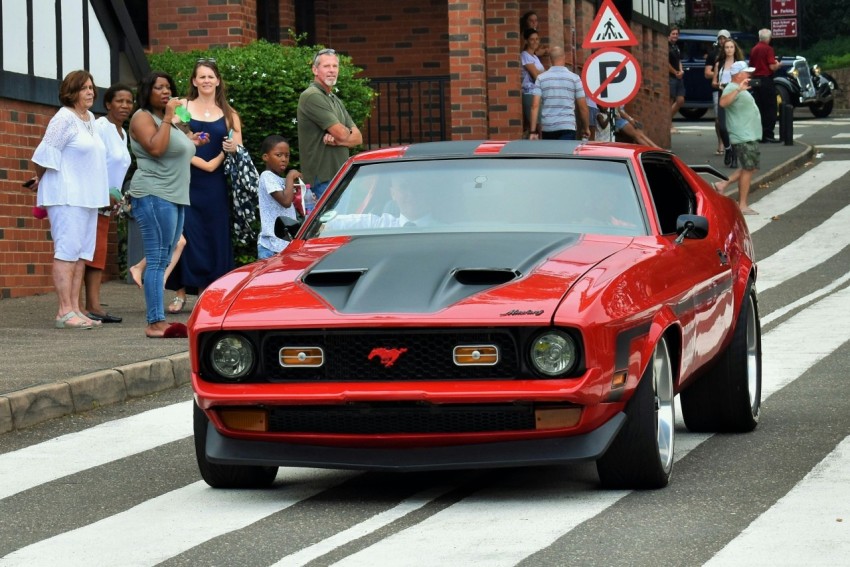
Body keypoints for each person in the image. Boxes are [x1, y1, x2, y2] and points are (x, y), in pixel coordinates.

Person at [128, 71, 208, 338]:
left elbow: (173, 148)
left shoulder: (170, 123)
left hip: (174, 196)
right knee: (157, 258)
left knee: (163, 257)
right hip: (153, 194)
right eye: (158, 87)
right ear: (147, 91)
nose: (165, 92)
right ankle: (155, 323)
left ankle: (157, 320)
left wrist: (192, 141)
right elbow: (156, 149)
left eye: (168, 87)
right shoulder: (142, 117)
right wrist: (167, 117)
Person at [29, 70, 109, 329]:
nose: (90, 92)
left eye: (91, 87)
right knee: (66, 252)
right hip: (66, 195)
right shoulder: (63, 118)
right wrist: (41, 180)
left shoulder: (90, 118)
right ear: (71, 92)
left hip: (88, 197)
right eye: (84, 88)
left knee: (81, 254)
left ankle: (75, 308)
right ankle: (63, 311)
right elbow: (43, 155)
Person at [166, 58, 242, 313]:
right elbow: (173, 141)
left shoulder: (230, 114)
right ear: (194, 81)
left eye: (211, 76)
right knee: (185, 234)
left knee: (212, 235)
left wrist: (226, 153)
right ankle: (179, 294)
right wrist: (201, 162)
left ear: (218, 81)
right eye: (202, 76)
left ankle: (204, 292)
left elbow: (238, 148)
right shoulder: (182, 107)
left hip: (215, 185)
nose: (207, 81)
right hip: (185, 180)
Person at [85, 83, 134, 324]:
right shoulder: (101, 126)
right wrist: (102, 192)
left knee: (99, 253)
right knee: (88, 254)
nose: (125, 105)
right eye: (119, 101)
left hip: (109, 202)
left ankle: (94, 305)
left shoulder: (123, 133)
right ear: (107, 104)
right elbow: (90, 161)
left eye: (129, 101)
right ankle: (85, 307)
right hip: (94, 199)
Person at [297, 48, 363, 200]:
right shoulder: (311, 96)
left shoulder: (334, 99)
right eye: (326, 66)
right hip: (323, 179)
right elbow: (342, 133)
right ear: (315, 70)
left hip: (339, 175)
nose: (332, 70)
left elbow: (358, 138)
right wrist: (344, 134)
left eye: (335, 66)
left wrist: (339, 140)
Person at [714, 62, 762, 215]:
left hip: (749, 134)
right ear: (738, 74)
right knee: (748, 168)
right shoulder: (732, 87)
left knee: (751, 167)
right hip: (743, 135)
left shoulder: (739, 86)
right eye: (746, 72)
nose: (749, 74)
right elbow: (723, 102)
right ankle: (742, 205)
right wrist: (739, 89)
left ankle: (723, 184)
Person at [528, 46, 590, 141]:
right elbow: (583, 107)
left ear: (550, 59)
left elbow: (534, 106)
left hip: (548, 127)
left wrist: (532, 131)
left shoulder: (541, 78)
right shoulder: (575, 78)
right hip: (567, 126)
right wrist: (586, 128)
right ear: (564, 57)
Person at [257, 135, 302, 259]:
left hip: (284, 245)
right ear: (265, 157)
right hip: (270, 247)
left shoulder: (281, 181)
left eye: (287, 155)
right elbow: (286, 202)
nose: (284, 159)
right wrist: (290, 176)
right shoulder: (266, 176)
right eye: (279, 155)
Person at [712, 38, 746, 167]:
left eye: (731, 47)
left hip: (736, 96)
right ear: (723, 49)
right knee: (722, 126)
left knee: (735, 127)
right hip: (723, 96)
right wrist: (719, 85)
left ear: (735, 49)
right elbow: (713, 82)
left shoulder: (740, 64)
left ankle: (735, 157)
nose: (729, 50)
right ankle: (728, 149)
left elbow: (745, 80)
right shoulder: (719, 64)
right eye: (727, 47)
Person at [749, 28, 782, 143]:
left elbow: (751, 66)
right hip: (766, 79)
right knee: (770, 107)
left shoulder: (754, 49)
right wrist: (778, 65)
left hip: (755, 80)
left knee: (759, 107)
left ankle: (760, 133)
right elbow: (772, 67)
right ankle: (768, 134)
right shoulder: (768, 49)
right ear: (769, 38)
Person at [705, 30, 731, 155]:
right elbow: (707, 73)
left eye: (724, 38)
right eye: (720, 38)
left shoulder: (734, 55)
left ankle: (732, 144)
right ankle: (721, 143)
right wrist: (720, 75)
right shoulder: (713, 55)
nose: (722, 41)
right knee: (719, 119)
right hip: (718, 90)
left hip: (733, 90)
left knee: (732, 118)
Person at [520, 28, 546, 136]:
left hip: (538, 93)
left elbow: (542, 75)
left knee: (541, 125)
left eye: (537, 39)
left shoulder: (534, 57)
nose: (535, 42)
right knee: (536, 125)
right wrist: (540, 73)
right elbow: (536, 76)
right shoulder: (525, 55)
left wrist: (540, 73)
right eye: (532, 39)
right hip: (529, 93)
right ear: (526, 41)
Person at [668, 26, 685, 133]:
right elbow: (666, 62)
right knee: (670, 101)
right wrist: (675, 72)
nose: (675, 36)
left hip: (678, 77)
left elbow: (679, 61)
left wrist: (681, 71)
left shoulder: (676, 47)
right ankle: (669, 124)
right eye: (673, 33)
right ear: (669, 35)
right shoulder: (666, 46)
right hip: (670, 77)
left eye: (676, 34)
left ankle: (667, 120)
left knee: (680, 100)